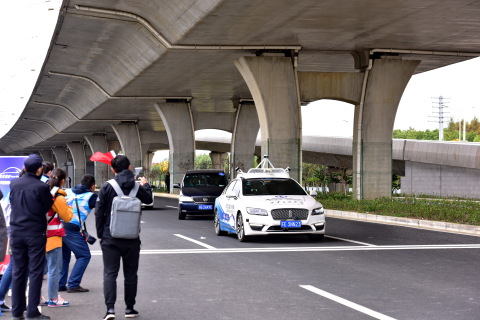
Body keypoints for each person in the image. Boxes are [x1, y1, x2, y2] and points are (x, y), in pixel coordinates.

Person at [95, 155, 152, 320]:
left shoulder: (107, 186)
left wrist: (101, 235)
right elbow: (147, 200)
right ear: (129, 167)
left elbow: (99, 212)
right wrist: (145, 185)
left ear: (113, 169)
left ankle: (110, 310)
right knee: (131, 274)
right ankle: (129, 309)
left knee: (110, 273)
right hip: (132, 238)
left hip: (110, 237)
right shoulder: (136, 186)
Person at [9, 154, 53, 320]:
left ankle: (16, 312)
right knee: (35, 272)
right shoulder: (41, 187)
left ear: (25, 168)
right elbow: (47, 206)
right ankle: (32, 312)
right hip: (35, 232)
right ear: (39, 169)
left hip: (16, 232)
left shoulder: (14, 183)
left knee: (18, 271)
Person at [60, 174, 98, 293]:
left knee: (64, 257)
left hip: (59, 225)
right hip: (71, 228)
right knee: (84, 255)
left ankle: (60, 284)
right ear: (92, 186)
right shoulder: (91, 196)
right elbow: (104, 208)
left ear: (80, 183)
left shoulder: (68, 191)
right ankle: (73, 284)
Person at [44, 168, 73, 307]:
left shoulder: (45, 193)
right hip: (53, 237)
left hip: (40, 237)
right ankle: (53, 299)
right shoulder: (59, 197)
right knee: (54, 269)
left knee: (38, 271)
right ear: (62, 180)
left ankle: (38, 297)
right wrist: (70, 206)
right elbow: (67, 217)